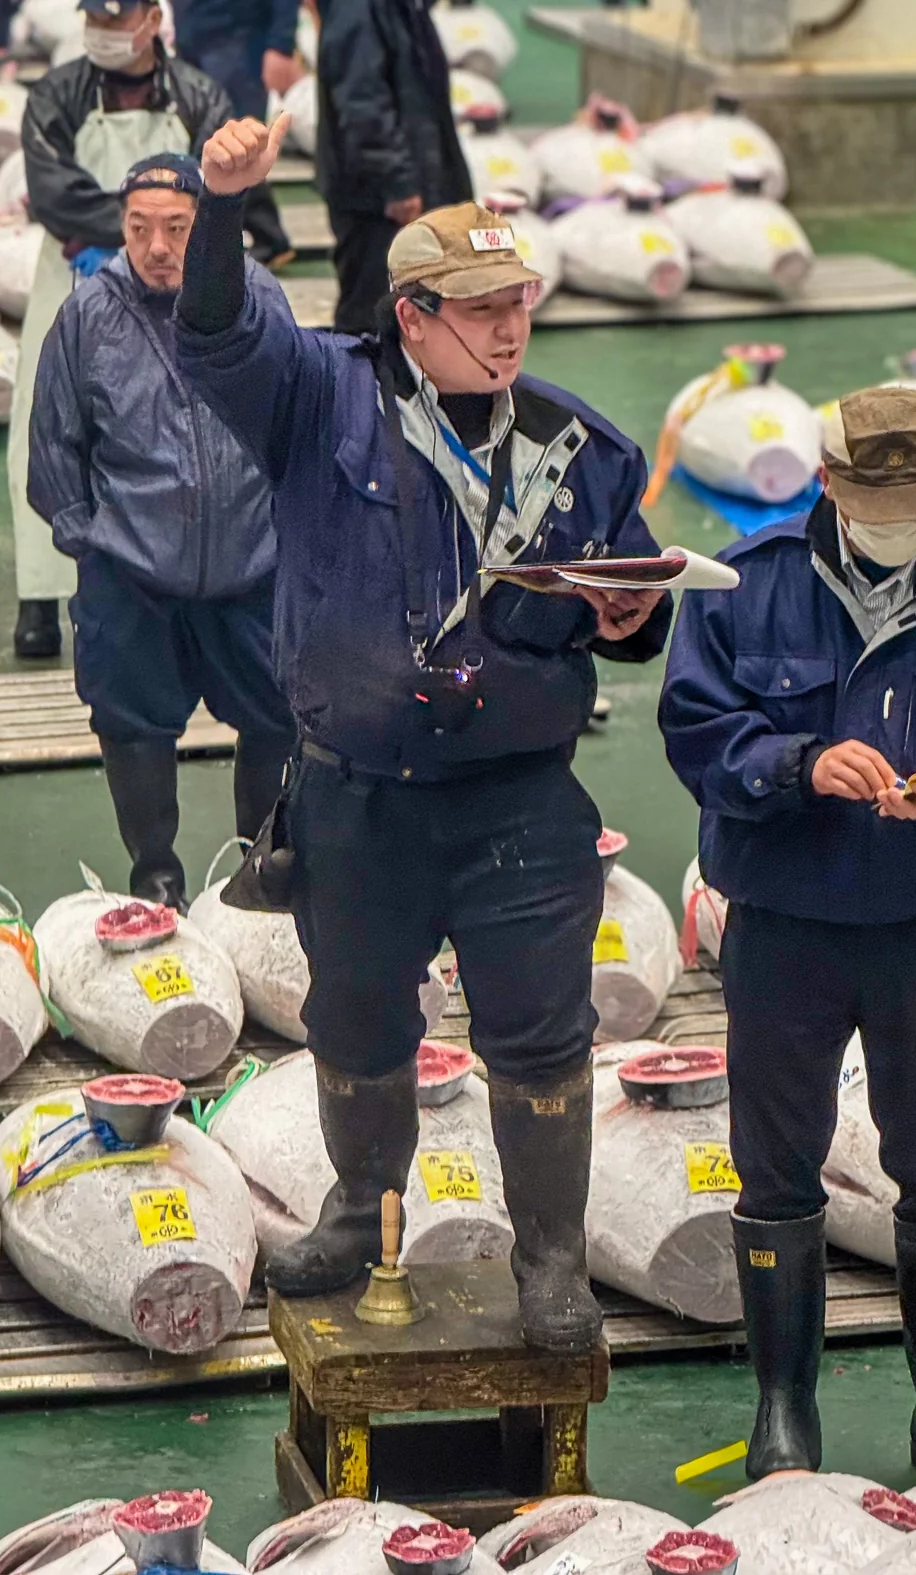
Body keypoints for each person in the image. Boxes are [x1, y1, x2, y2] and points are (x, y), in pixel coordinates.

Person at [174, 115, 672, 1353]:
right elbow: (217, 335)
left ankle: (552, 1260)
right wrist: (224, 206)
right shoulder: (314, 397)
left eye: (519, 303)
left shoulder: (581, 449)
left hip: (517, 804)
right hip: (359, 795)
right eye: (478, 307)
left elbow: (630, 620)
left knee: (541, 1035)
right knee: (354, 1019)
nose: (507, 328)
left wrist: (627, 619)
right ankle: (357, 1209)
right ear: (411, 317)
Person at [661, 386, 916, 1478]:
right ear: (828, 485)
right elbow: (696, 731)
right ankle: (784, 1412)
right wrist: (796, 764)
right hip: (785, 925)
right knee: (776, 1170)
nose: (905, 522)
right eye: (882, 503)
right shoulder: (742, 586)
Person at [27, 153, 294, 912]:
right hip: (132, 578)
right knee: (132, 722)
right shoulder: (87, 314)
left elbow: (298, 416)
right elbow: (54, 445)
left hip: (253, 570)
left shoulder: (258, 299)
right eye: (139, 228)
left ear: (206, 227)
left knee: (279, 712)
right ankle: (156, 872)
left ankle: (262, 861)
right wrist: (95, 540)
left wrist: (286, 533)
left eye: (177, 229)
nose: (156, 247)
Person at [10, 0, 232, 662]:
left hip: (177, 283)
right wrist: (137, 229)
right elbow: (53, 192)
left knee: (173, 430)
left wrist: (153, 243)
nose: (104, 34)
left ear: (153, 18)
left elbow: (215, 188)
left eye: (117, 20)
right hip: (73, 273)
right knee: (43, 423)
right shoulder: (55, 95)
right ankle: (40, 596)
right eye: (95, 20)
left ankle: (172, 586)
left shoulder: (202, 96)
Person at [317, 0, 472, 336]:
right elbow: (362, 103)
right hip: (378, 201)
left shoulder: (404, 8)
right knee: (371, 320)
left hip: (410, 185)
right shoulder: (359, 10)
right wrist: (396, 184)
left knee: (416, 316)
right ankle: (355, 390)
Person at [171, 0, 299, 270]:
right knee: (208, 144)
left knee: (238, 143)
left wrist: (281, 44)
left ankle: (266, 238)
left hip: (239, 41)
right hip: (191, 37)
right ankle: (264, 237)